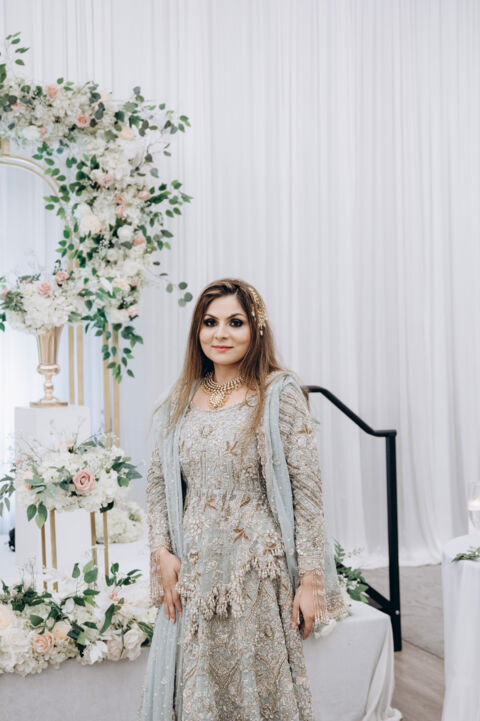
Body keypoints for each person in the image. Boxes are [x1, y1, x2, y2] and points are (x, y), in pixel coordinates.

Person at [139, 278, 349, 721]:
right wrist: (161, 551)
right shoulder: (178, 400)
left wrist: (310, 579)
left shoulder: (277, 394)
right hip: (194, 574)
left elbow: (308, 494)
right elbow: (157, 484)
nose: (221, 334)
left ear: (256, 328)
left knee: (256, 695)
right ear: (197, 330)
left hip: (255, 574)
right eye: (210, 322)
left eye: (235, 322)